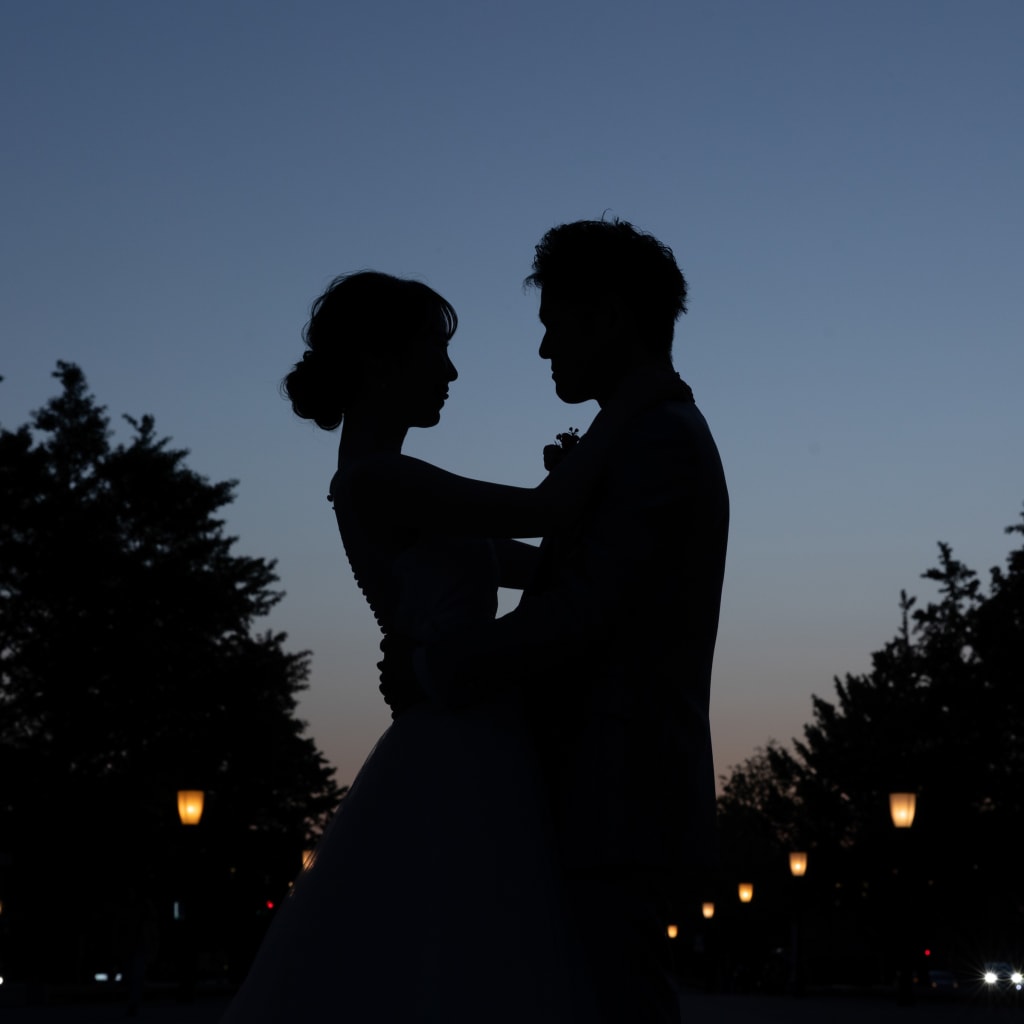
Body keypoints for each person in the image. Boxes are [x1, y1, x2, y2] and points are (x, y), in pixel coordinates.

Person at [221, 270, 659, 1023]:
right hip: (458, 739)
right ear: (381, 360)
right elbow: (544, 513)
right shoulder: (380, 480)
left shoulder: (388, 481)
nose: (451, 372)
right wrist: (630, 407)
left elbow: (543, 560)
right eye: (435, 348)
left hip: (469, 725)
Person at [415, 219, 729, 1023]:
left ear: (611, 318)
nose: (546, 350)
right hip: (593, 788)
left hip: (615, 789)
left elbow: (587, 611)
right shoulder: (643, 434)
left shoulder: (659, 439)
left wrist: (446, 663)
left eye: (555, 324)